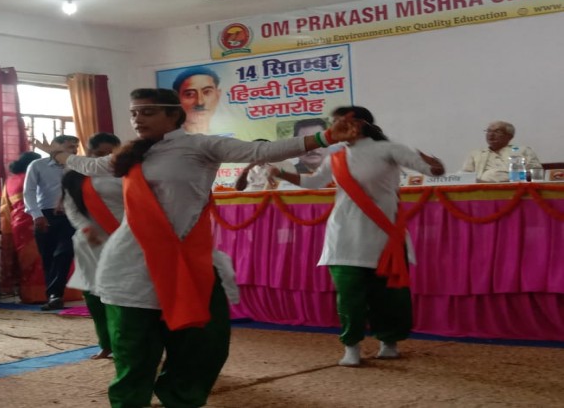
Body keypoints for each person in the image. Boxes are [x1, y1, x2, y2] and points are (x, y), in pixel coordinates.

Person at [50, 88, 355, 407]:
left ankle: (180, 399)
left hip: (186, 259)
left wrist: (324, 138)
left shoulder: (200, 146)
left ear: (173, 114)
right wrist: (60, 156)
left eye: (148, 112)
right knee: (134, 351)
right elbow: (89, 165)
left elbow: (260, 150)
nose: (138, 119)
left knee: (205, 345)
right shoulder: (130, 155)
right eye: (134, 113)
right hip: (131, 264)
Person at [271, 106, 444, 367]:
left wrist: (434, 164)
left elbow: (432, 171)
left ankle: (389, 343)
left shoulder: (389, 149)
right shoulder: (336, 156)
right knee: (349, 297)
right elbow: (313, 183)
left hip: (384, 236)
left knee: (389, 296)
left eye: (338, 122)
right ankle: (351, 346)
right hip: (344, 237)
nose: (333, 128)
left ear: (359, 123)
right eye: (332, 123)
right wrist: (281, 173)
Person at [61, 132, 123, 360]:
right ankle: (105, 344)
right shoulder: (74, 176)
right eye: (98, 153)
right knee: (94, 294)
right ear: (88, 152)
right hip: (90, 242)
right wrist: (86, 228)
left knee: (122, 295)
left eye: (110, 153)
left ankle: (125, 345)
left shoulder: (126, 173)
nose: (104, 158)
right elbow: (71, 209)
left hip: (124, 239)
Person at [23, 134, 80, 311]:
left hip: (71, 215)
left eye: (76, 147)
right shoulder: (37, 165)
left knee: (64, 253)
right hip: (45, 214)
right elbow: (29, 192)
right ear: (56, 146)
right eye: (70, 147)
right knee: (48, 257)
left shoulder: (77, 165)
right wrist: (36, 215)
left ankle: (56, 294)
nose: (74, 151)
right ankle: (53, 296)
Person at [0, 151, 47, 304]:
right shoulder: (33, 177)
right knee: (41, 259)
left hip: (18, 224)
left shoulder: (11, 180)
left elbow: (5, 207)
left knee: (27, 261)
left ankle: (29, 294)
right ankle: (43, 294)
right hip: (37, 220)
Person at [461, 121, 541, 182]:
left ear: (509, 136)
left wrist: (511, 180)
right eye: (489, 131)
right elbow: (464, 176)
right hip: (481, 190)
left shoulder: (523, 150)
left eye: (497, 131)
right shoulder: (476, 154)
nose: (491, 134)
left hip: (514, 188)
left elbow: (536, 173)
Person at [172, 67, 222, 134]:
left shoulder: (224, 135)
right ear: (177, 99)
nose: (200, 102)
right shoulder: (170, 138)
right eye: (190, 94)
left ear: (218, 95)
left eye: (207, 92)